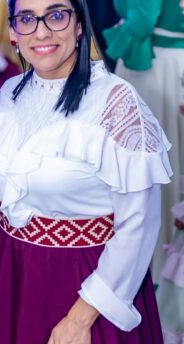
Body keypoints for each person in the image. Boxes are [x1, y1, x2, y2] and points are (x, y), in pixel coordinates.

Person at [0, 0, 172, 344]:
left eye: (56, 15)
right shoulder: (10, 93)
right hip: (8, 277)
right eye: (27, 19)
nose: (42, 31)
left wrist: (82, 318)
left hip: (85, 283)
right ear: (13, 31)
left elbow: (139, 224)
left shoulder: (116, 102)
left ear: (79, 26)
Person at [103, 0, 184, 282]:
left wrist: (117, 38)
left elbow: (142, 20)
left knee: (149, 173)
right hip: (174, 65)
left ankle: (153, 268)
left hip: (154, 70)